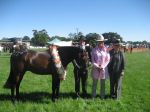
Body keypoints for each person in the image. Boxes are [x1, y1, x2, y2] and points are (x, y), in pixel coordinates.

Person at [91, 35, 110, 99]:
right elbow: (92, 60)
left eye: (102, 42)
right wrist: (97, 66)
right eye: (99, 42)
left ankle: (102, 96)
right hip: (95, 68)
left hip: (103, 69)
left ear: (103, 42)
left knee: (102, 84)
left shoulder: (106, 50)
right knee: (94, 83)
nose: (101, 43)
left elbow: (108, 59)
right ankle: (93, 96)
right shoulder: (94, 50)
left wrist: (103, 66)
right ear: (97, 42)